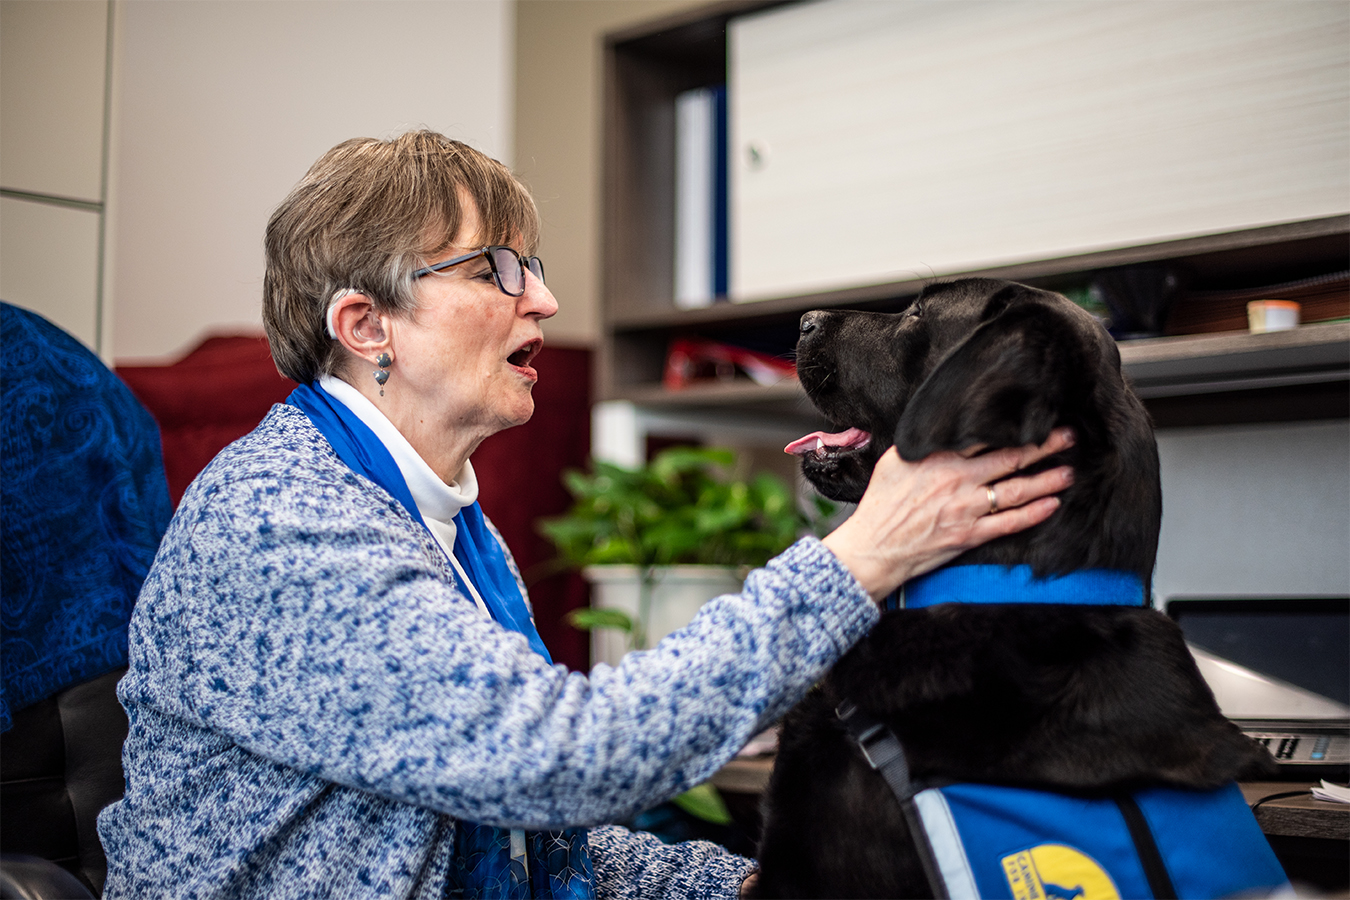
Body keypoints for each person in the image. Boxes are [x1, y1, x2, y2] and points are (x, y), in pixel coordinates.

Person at [96, 131, 1074, 899]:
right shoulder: (283, 525)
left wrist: (743, 885)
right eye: (498, 270)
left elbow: (521, 839)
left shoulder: (436, 520)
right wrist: (864, 554)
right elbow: (560, 760)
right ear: (365, 326)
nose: (548, 301)